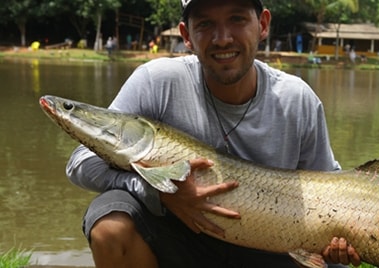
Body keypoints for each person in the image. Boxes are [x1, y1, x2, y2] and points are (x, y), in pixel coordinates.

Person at [66, 0, 361, 267]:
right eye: (206, 24)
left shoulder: (297, 99)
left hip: (271, 248)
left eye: (237, 19)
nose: (223, 38)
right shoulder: (156, 82)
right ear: (186, 35)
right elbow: (80, 162)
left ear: (262, 25)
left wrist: (340, 239)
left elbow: (331, 190)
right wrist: (160, 194)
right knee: (110, 222)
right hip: (184, 240)